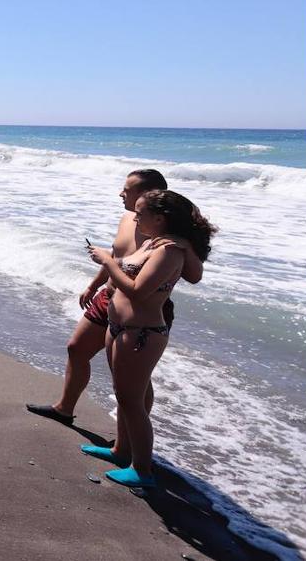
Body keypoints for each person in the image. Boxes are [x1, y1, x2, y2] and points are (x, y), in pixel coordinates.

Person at [27, 170, 203, 426]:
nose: (121, 193)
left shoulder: (170, 237)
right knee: (76, 348)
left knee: (134, 379)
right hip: (108, 297)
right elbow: (117, 255)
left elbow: (194, 275)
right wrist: (94, 284)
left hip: (140, 310)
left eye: (127, 189)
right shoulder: (128, 218)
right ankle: (64, 409)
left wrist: (185, 248)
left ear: (148, 195)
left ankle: (130, 441)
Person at [80, 189, 215, 488]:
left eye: (141, 213)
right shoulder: (154, 242)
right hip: (119, 327)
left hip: (141, 333)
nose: (135, 218)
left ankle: (142, 469)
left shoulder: (168, 250)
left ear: (160, 218)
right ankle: (121, 450)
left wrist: (106, 260)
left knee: (132, 401)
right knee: (124, 394)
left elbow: (139, 290)